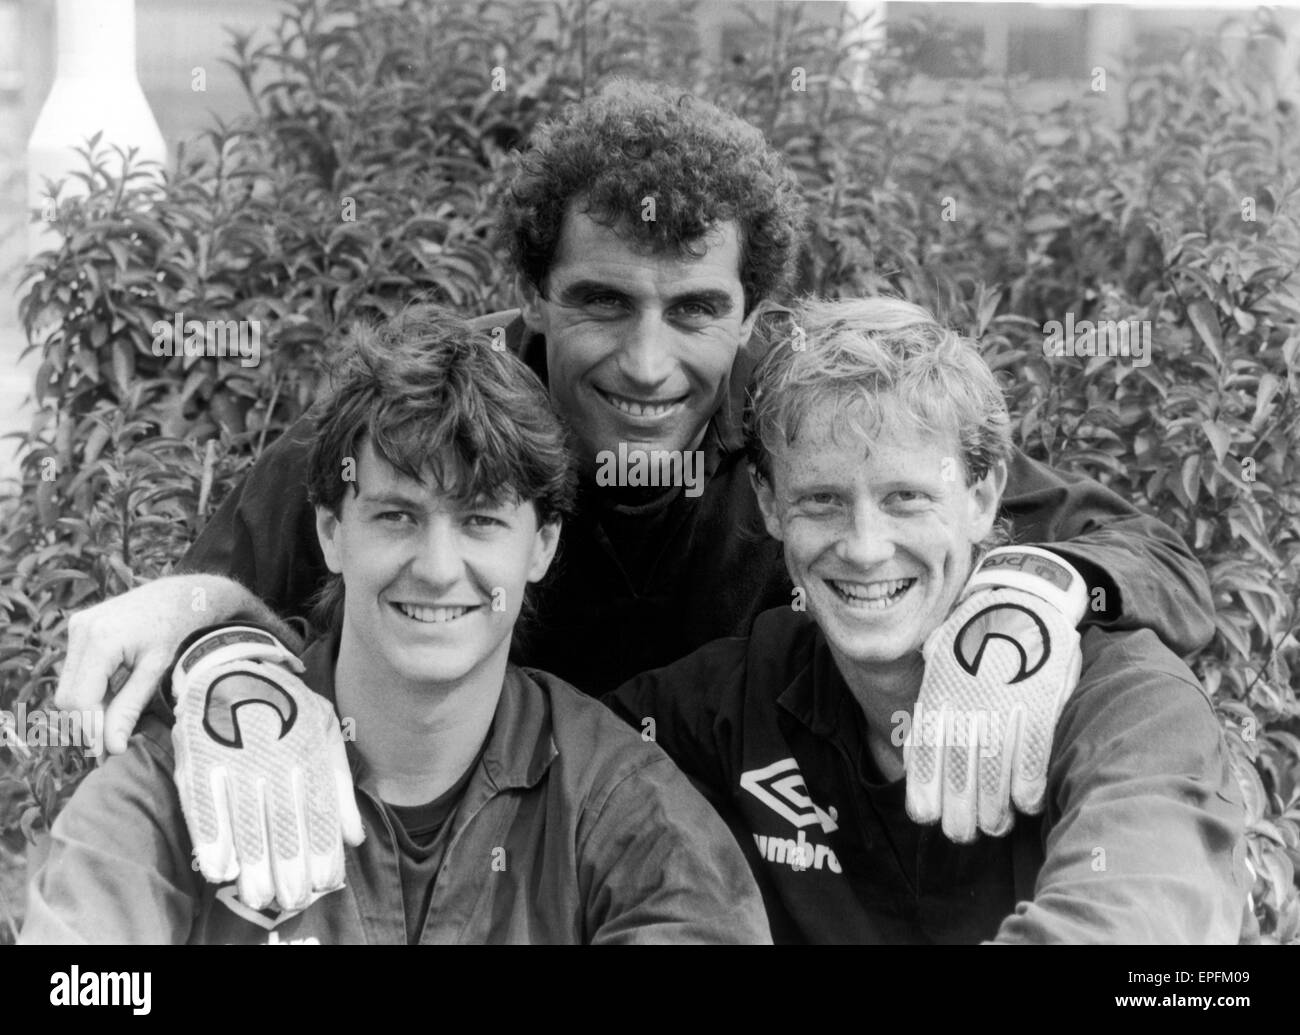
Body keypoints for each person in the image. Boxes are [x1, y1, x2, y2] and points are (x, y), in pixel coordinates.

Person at [54, 80, 1215, 910]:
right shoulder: (437, 419)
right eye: (604, 302)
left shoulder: (815, 426)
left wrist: (1029, 598)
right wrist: (205, 633)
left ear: (751, 318)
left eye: (695, 312)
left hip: (721, 876)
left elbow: (1130, 551)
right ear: (536, 295)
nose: (649, 364)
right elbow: (228, 601)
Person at [21, 307, 771, 944]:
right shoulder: (174, 787)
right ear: (330, 532)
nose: (439, 567)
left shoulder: (627, 809)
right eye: (397, 516)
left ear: (541, 546)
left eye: (480, 520)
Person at [603, 297, 1249, 944]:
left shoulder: (1126, 697)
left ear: (984, 493)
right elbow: (548, 764)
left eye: (905, 498)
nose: (864, 547)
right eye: (821, 500)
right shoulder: (738, 699)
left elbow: (1141, 923)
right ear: (770, 505)